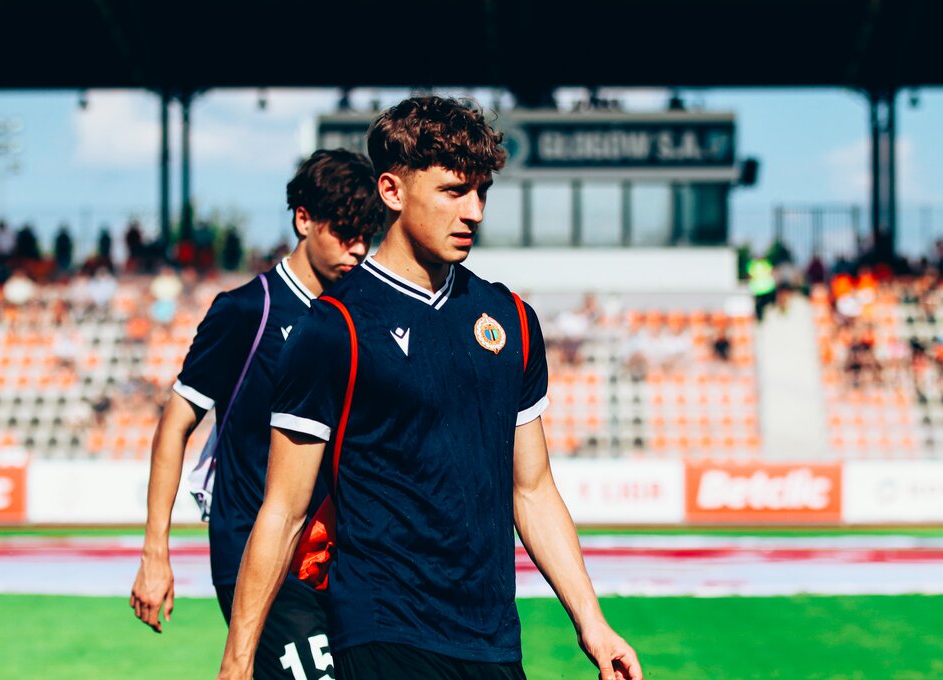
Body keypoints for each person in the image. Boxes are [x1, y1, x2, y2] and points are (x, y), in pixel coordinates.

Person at [218, 97, 641, 680]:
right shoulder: (333, 327)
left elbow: (533, 490)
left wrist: (593, 623)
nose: (474, 212)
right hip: (382, 632)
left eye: (482, 192)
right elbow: (284, 511)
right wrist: (238, 661)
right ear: (392, 191)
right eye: (453, 191)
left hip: (493, 640)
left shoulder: (512, 320)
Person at [129, 149, 383, 678]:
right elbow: (176, 425)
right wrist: (155, 553)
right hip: (255, 555)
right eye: (345, 233)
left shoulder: (361, 316)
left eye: (367, 236)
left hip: (339, 560)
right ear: (304, 219)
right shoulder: (248, 309)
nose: (359, 249)